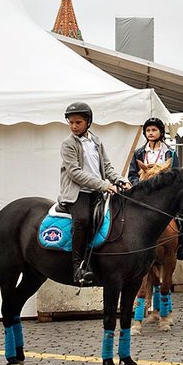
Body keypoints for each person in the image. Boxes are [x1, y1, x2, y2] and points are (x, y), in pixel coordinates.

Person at [58, 101, 127, 286]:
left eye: (78, 122)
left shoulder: (96, 141)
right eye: (71, 122)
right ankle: (78, 267)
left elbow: (106, 166)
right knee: (83, 220)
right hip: (78, 193)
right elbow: (75, 173)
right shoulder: (68, 144)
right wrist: (103, 185)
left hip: (97, 191)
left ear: (88, 122)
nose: (73, 126)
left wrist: (119, 179)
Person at [127, 117, 183, 261]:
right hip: (144, 193)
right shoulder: (138, 153)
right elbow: (132, 174)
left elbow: (176, 174)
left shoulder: (171, 153)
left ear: (161, 132)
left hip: (164, 194)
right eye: (148, 130)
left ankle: (181, 246)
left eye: (154, 130)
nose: (150, 133)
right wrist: (139, 186)